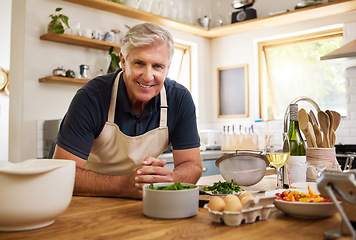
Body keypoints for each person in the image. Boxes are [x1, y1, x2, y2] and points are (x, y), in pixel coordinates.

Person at [49, 23, 203, 199]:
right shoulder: (92, 97)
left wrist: (171, 180)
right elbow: (62, 174)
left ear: (167, 68)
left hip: (136, 202)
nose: (148, 76)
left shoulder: (180, 99)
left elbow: (193, 165)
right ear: (123, 61)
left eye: (157, 66)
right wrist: (124, 186)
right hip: (86, 199)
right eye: (139, 63)